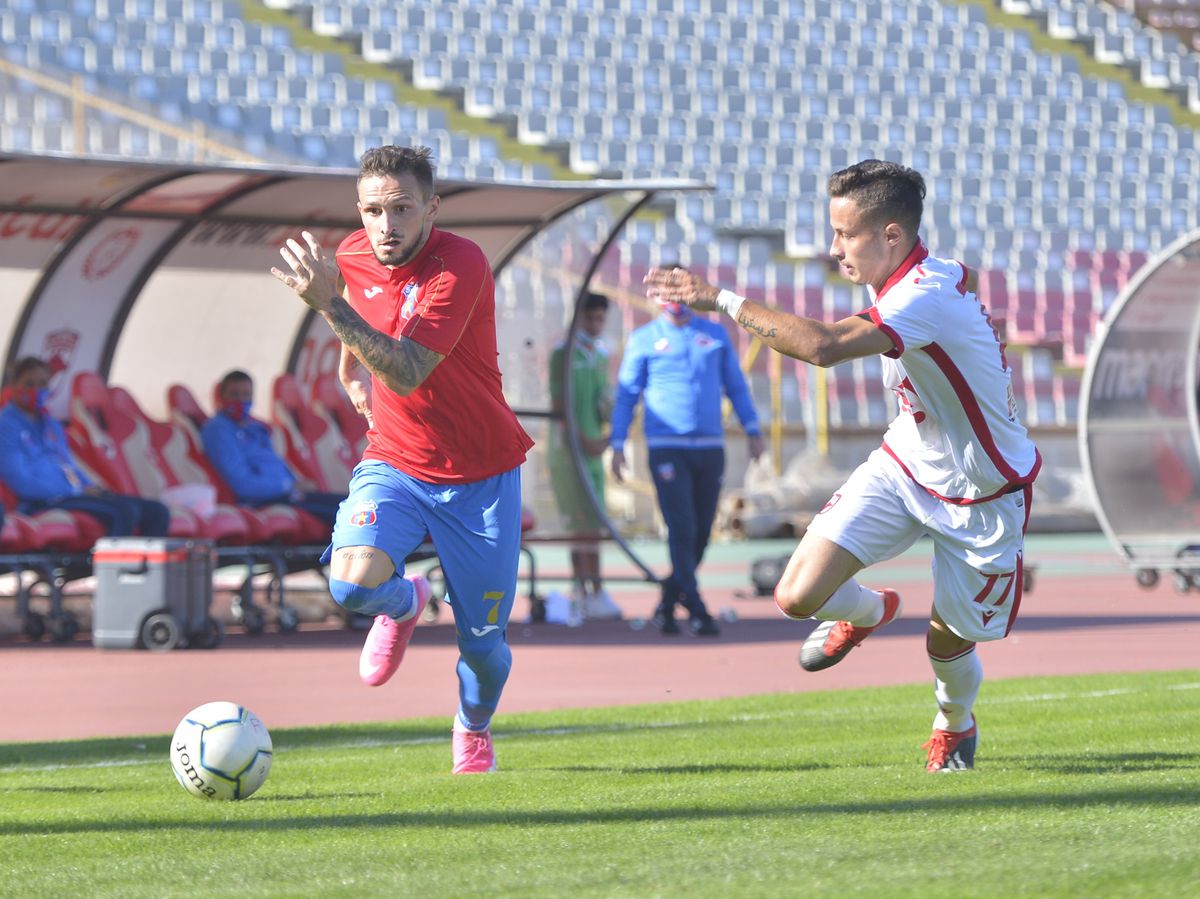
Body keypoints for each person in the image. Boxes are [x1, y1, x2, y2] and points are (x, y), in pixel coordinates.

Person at [644, 159, 1040, 772]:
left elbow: (822, 348)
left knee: (948, 643)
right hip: (906, 462)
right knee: (796, 595)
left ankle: (954, 724)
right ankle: (869, 610)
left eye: (845, 234)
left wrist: (718, 298)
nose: (833, 250)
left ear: (891, 234)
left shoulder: (921, 295)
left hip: (982, 494)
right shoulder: (908, 278)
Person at [270, 145, 534, 775]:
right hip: (397, 460)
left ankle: (472, 726)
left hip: (481, 476)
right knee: (348, 582)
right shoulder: (353, 255)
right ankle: (404, 602)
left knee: (486, 650)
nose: (385, 225)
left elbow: (411, 370)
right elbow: (360, 317)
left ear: (430, 209)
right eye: (371, 210)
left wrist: (329, 306)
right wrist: (348, 367)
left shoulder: (460, 263)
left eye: (400, 209)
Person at [610, 266, 765, 637]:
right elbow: (626, 395)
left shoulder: (714, 334)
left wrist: (753, 429)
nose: (673, 299)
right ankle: (696, 607)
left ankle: (668, 601)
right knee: (681, 527)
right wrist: (617, 444)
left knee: (701, 534)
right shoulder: (645, 339)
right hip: (667, 448)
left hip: (710, 447)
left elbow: (736, 386)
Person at [0, 356, 171, 538]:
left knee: (158, 512)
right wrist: (70, 490)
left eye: (42, 384)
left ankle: (144, 564)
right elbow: (19, 479)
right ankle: (109, 566)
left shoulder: (51, 424)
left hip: (71, 495)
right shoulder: (5, 425)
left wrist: (89, 486)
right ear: (14, 386)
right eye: (29, 384)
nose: (37, 390)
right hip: (41, 501)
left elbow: (67, 463)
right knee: (124, 511)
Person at [547, 290, 621, 623]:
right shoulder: (562, 354)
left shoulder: (600, 354)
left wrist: (608, 429)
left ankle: (596, 589)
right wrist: (584, 442)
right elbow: (560, 407)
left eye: (600, 318)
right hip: (569, 452)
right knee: (579, 523)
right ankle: (581, 589)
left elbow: (601, 401)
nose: (595, 324)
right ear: (577, 316)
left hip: (592, 449)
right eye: (590, 317)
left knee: (594, 521)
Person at [201, 369, 344, 527]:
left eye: (246, 395)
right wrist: (287, 486)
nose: (241, 400)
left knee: (354, 505)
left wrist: (295, 483)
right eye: (234, 395)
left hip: (287, 495)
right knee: (345, 515)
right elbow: (242, 484)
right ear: (221, 397)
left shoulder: (255, 429)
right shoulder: (218, 430)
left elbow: (275, 464)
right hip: (262, 500)